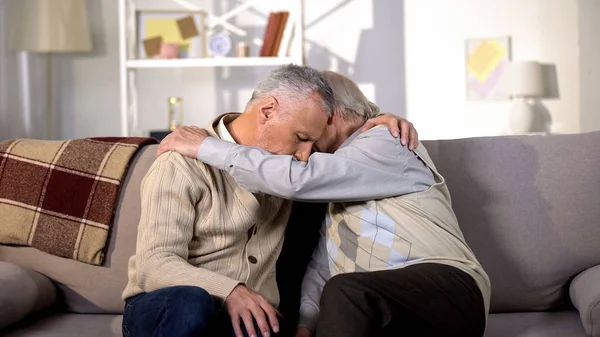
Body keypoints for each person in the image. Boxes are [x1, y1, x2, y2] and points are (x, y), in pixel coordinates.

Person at [157, 70, 491, 337]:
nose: (304, 149)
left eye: (309, 135)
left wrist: (205, 147)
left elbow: (296, 178)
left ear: (330, 117)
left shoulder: (387, 142)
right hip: (383, 308)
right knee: (340, 286)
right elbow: (325, 260)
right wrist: (305, 324)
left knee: (344, 289)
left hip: (450, 291)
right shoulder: (334, 182)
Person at [122, 64, 418, 337]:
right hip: (170, 306)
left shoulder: (287, 171)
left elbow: (345, 156)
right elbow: (154, 265)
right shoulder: (181, 163)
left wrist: (378, 120)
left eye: (312, 143)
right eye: (301, 137)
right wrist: (231, 291)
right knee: (191, 304)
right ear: (267, 111)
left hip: (253, 319)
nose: (305, 155)